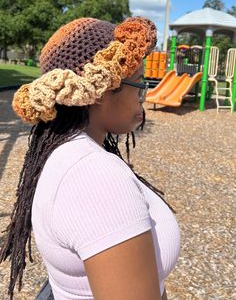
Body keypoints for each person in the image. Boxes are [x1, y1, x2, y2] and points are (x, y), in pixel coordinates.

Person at [0, 16, 180, 300]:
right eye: (139, 83)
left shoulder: (69, 151)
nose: (142, 96)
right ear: (99, 89)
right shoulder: (94, 176)